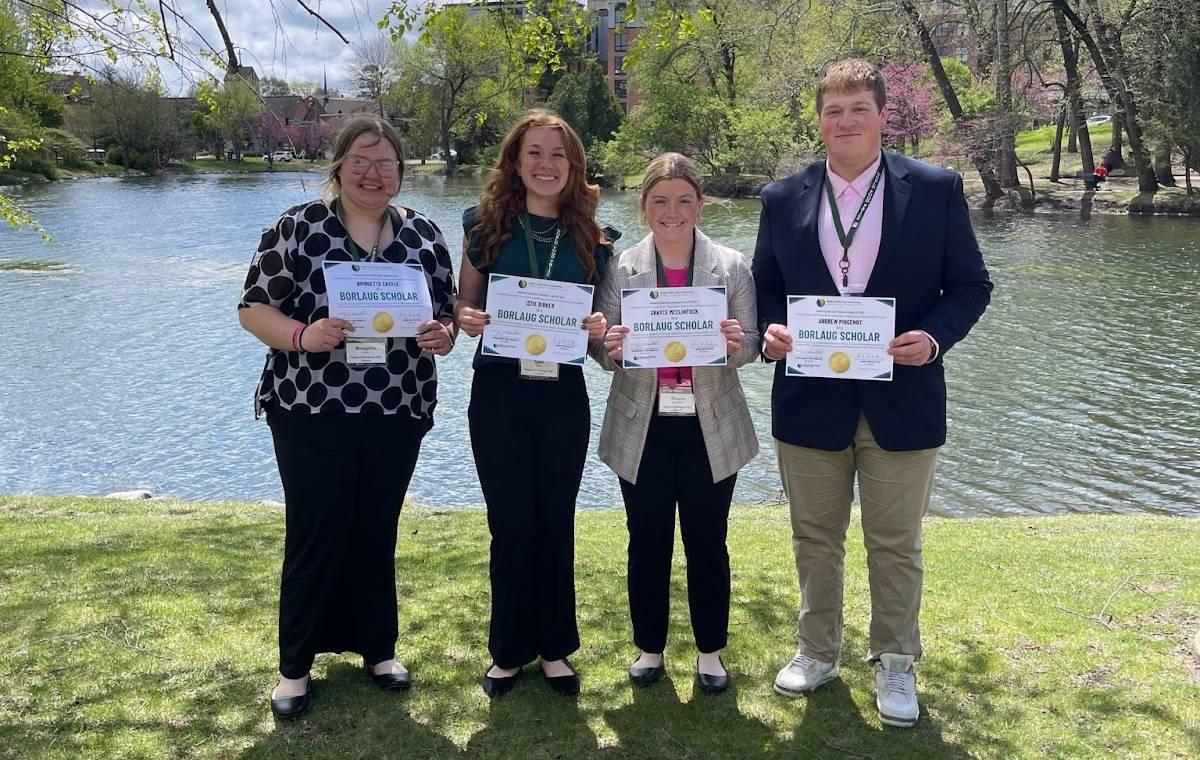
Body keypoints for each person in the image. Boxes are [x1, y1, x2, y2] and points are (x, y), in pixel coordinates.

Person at [751, 59, 992, 727]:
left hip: (904, 396)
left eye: (859, 107)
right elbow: (765, 289)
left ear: (884, 115)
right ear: (820, 121)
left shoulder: (937, 189)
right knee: (814, 537)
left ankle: (895, 660)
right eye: (833, 110)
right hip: (809, 400)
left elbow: (971, 287)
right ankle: (817, 649)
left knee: (895, 542)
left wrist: (934, 338)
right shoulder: (781, 197)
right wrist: (771, 332)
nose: (846, 121)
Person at [238, 114, 457, 719]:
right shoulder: (297, 228)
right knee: (316, 529)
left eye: (386, 163)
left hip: (396, 409)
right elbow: (254, 309)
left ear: (400, 173)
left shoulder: (424, 236)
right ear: (337, 167)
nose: (373, 173)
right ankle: (295, 667)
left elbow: (445, 316)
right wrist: (304, 335)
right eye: (361, 160)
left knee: (376, 527)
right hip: (310, 409)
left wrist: (443, 335)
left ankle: (377, 649)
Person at [454, 110, 616, 698]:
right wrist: (465, 318)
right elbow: (463, 307)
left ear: (574, 166)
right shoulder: (482, 226)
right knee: (511, 525)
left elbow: (602, 323)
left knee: (555, 522)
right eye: (534, 154)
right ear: (515, 163)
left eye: (558, 155)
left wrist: (599, 326)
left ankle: (555, 649)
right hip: (497, 393)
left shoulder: (595, 237)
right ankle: (507, 650)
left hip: (562, 398)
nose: (546, 165)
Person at [592, 152, 759, 695]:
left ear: (700, 204)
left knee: (708, 541)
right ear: (643, 206)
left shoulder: (731, 266)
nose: (672, 211)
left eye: (684, 200)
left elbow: (752, 345)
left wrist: (735, 345)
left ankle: (710, 651)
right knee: (646, 541)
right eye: (660, 201)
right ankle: (650, 648)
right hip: (643, 425)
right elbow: (602, 345)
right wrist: (611, 347)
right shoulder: (618, 267)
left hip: (711, 424)